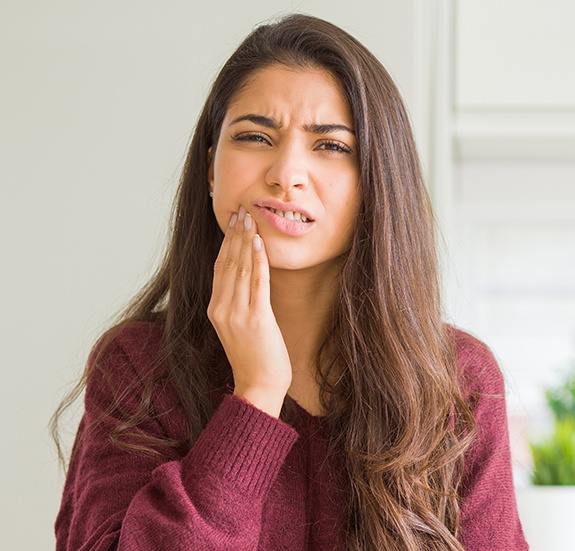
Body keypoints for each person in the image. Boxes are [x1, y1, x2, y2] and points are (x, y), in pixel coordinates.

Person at [53, 13, 528, 551]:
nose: (286, 172)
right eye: (256, 137)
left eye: (330, 146)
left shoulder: (457, 381)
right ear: (211, 169)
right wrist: (255, 398)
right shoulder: (138, 366)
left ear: (376, 184)